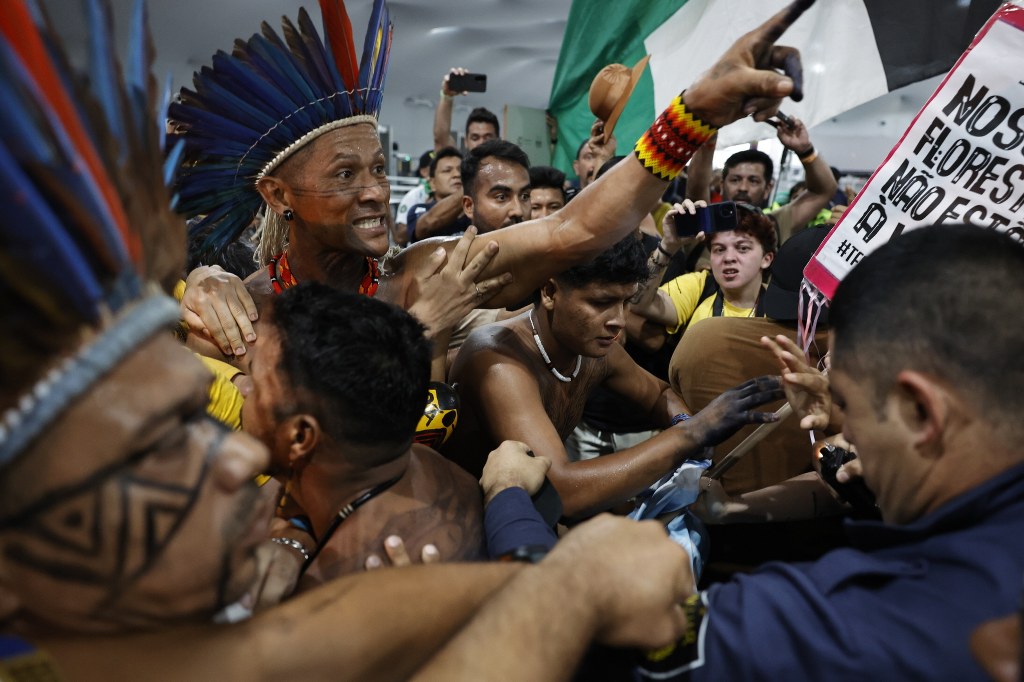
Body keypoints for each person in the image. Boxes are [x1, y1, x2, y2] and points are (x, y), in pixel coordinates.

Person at [0, 1, 818, 678]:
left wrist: (691, 115)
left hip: (471, 557)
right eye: (344, 175)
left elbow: (573, 230)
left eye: (374, 168)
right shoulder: (241, 321)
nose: (373, 194)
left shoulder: (426, 269)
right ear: (277, 193)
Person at [634, 223, 1024, 680]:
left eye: (851, 407)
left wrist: (587, 578)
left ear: (920, 410)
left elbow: (666, 641)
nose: (846, 431)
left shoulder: (878, 616)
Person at [444, 235, 784, 519]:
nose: (619, 321)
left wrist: (683, 421)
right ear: (549, 292)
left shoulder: (592, 348)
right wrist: (693, 432)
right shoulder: (500, 363)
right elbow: (562, 490)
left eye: (625, 302)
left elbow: (658, 394)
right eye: (601, 302)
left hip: (525, 518)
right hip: (464, 525)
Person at [244, 282, 485, 584]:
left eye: (255, 385)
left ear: (301, 437)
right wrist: (295, 538)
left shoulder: (331, 586)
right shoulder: (411, 459)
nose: (243, 390)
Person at [631, 205, 778, 336]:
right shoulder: (699, 286)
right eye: (719, 249)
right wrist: (668, 245)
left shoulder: (781, 307)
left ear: (766, 259)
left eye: (742, 248)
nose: (728, 258)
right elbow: (639, 303)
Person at [405, 146, 468, 242]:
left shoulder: (474, 211)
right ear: (432, 183)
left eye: (460, 170)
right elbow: (425, 227)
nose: (457, 174)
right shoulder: (418, 210)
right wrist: (470, 185)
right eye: (447, 170)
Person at [434, 67, 499, 153]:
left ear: (498, 140)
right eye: (475, 138)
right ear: (466, 141)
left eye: (488, 138)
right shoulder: (458, 162)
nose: (481, 143)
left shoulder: (509, 161)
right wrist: (447, 96)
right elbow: (441, 141)